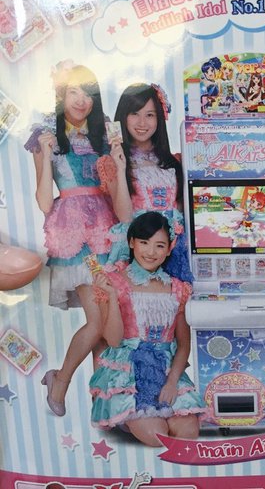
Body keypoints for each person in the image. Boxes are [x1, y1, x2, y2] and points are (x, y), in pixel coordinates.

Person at [24, 62, 117, 416]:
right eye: (73, 92)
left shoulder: (103, 134)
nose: (81, 100)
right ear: (61, 94)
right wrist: (46, 155)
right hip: (75, 237)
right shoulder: (45, 135)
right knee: (98, 321)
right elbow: (44, 202)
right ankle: (60, 379)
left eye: (88, 93)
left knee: (108, 324)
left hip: (107, 233)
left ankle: (103, 400)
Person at [90, 211, 204, 445]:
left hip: (166, 372)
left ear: (169, 249)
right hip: (128, 375)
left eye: (159, 245)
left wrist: (172, 382)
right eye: (144, 242)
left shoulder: (178, 288)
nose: (151, 252)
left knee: (188, 433)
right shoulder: (112, 282)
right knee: (158, 437)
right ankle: (127, 418)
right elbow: (113, 340)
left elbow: (183, 344)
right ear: (132, 242)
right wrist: (112, 296)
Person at [97, 83, 192, 282]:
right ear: (123, 116)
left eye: (150, 115)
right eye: (135, 113)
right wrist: (121, 167)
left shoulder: (175, 161)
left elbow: (182, 209)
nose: (142, 122)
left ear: (159, 119)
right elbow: (124, 217)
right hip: (139, 246)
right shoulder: (111, 162)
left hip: (173, 246)